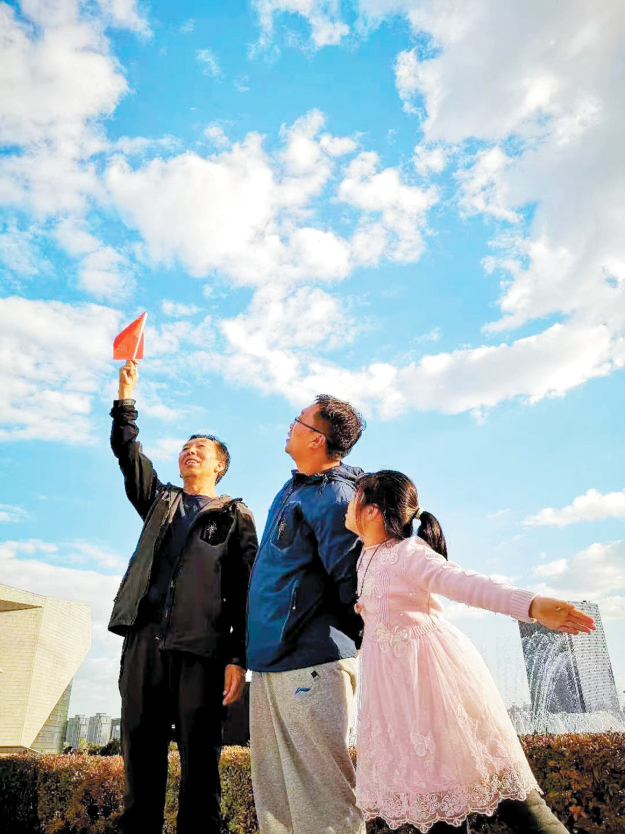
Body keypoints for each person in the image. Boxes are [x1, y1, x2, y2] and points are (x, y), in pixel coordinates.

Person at [345, 470, 595, 834]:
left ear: (371, 511)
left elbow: (464, 583)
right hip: (400, 699)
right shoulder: (365, 557)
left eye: (354, 497)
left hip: (438, 684)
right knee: (439, 804)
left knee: (512, 796)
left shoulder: (408, 553)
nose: (346, 506)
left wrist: (531, 604)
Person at [108, 360, 258, 834]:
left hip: (203, 653)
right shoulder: (159, 500)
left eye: (201, 449)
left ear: (219, 465)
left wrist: (238, 658)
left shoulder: (235, 515)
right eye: (185, 448)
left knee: (201, 765)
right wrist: (126, 400)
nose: (190, 452)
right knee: (140, 759)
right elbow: (127, 452)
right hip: (144, 644)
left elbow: (246, 593)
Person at [246, 395, 367, 834]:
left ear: (316, 439)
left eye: (298, 420)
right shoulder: (293, 488)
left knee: (324, 803)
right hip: (270, 662)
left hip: (312, 661)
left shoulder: (337, 497)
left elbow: (355, 584)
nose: (290, 426)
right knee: (277, 803)